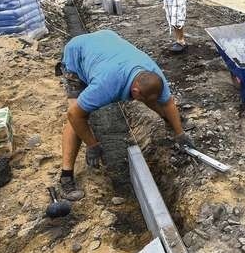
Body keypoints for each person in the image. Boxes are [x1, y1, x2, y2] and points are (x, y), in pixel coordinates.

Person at [55, 30, 193, 201]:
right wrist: (92, 145)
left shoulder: (153, 74)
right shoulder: (105, 86)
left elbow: (168, 102)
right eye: (141, 98)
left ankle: (169, 121)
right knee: (76, 118)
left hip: (107, 43)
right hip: (77, 54)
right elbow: (74, 115)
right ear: (134, 91)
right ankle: (66, 177)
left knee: (153, 100)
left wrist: (179, 133)